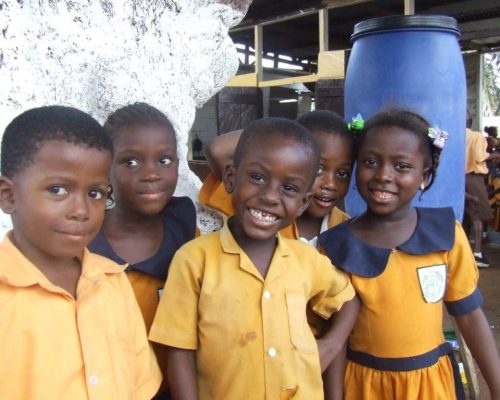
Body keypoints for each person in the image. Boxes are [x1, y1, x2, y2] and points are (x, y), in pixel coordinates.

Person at [149, 117, 360, 400]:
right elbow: (179, 350)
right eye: (258, 178)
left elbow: (348, 299)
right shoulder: (194, 260)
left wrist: (330, 346)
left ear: (303, 204)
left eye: (289, 188)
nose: (270, 196)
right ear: (231, 178)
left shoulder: (305, 260)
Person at [320, 108, 500, 399]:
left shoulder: (446, 234)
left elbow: (469, 316)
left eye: (401, 166)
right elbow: (336, 339)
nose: (383, 175)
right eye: (370, 162)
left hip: (430, 386)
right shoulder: (336, 246)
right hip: (363, 387)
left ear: (424, 176)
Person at [0, 105, 161, 399]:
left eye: (96, 193)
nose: (81, 211)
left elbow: (140, 385)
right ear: (9, 196)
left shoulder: (113, 282)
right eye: (58, 190)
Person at [88, 102, 197, 399]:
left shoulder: (186, 232)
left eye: (164, 160)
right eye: (131, 162)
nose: (151, 174)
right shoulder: (83, 242)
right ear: (104, 168)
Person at [200, 110, 355, 246]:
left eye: (342, 173)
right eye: (319, 169)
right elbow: (217, 149)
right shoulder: (263, 211)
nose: (330, 184)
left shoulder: (345, 228)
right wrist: (285, 135)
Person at [464, 112, 498, 267]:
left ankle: (463, 252)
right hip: (474, 177)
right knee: (478, 217)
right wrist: (494, 155)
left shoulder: (455, 135)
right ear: (471, 121)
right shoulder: (477, 136)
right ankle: (477, 254)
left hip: (459, 178)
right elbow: (479, 157)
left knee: (466, 216)